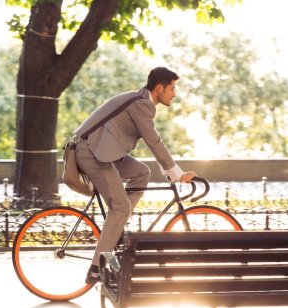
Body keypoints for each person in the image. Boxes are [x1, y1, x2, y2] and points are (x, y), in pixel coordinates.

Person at [72, 67, 197, 284]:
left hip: (102, 151)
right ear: (159, 88)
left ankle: (117, 227)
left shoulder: (140, 100)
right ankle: (95, 268)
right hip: (91, 152)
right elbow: (153, 140)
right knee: (120, 206)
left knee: (141, 172)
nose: (174, 94)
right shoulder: (141, 105)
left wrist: (168, 170)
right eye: (172, 88)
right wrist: (177, 173)